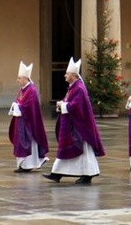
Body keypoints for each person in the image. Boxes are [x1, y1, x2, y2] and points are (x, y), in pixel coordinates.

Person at [43, 57, 105, 185]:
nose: (65, 75)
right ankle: (56, 173)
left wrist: (63, 105)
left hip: (80, 128)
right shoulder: (73, 87)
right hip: (72, 125)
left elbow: (76, 106)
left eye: (67, 73)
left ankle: (88, 174)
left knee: (82, 151)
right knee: (66, 149)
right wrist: (62, 104)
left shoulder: (79, 88)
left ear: (74, 75)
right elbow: (70, 102)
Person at [9, 61, 49, 172]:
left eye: (19, 78)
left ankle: (28, 165)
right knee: (21, 141)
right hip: (21, 120)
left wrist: (17, 107)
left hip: (29, 122)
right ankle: (24, 165)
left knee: (28, 142)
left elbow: (28, 106)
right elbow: (20, 102)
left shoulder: (31, 90)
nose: (17, 80)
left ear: (25, 78)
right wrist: (15, 106)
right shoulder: (23, 89)